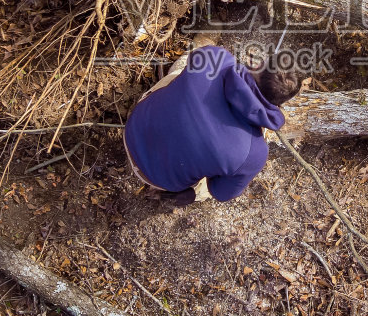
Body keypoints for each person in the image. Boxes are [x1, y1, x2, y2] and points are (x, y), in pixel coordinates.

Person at [124, 45, 302, 206]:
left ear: (258, 65)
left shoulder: (216, 58)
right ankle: (178, 194)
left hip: (132, 129)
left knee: (183, 70)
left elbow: (197, 58)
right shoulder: (254, 154)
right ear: (279, 104)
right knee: (213, 181)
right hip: (154, 178)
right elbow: (221, 193)